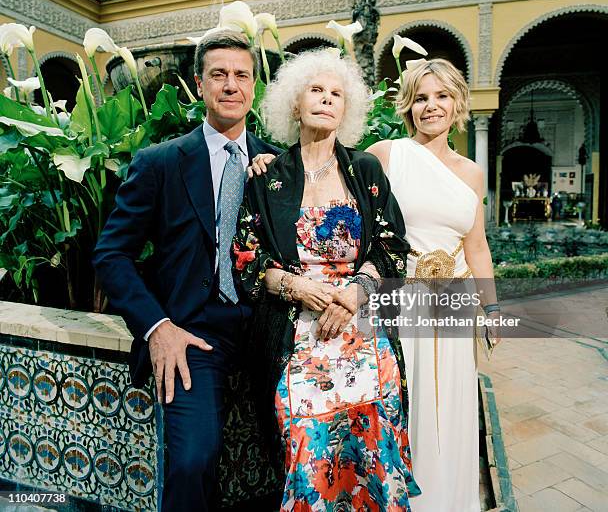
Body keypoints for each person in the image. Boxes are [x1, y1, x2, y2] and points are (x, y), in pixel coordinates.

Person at [92, 30, 281, 511]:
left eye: (241, 75)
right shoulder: (160, 163)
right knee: (192, 459)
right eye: (219, 75)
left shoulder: (280, 166)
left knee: (301, 448)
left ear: (254, 87)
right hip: (193, 333)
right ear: (200, 85)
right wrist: (157, 327)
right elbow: (111, 255)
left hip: (269, 330)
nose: (231, 85)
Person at [233, 48, 421, 511]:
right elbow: (244, 257)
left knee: (371, 450)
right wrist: (295, 287)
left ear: (347, 109)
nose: (327, 99)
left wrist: (354, 295)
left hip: (362, 331)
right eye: (316, 90)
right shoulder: (267, 176)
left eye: (337, 94)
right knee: (306, 451)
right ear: (294, 104)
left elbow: (393, 244)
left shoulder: (365, 170)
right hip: (296, 337)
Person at [366, 58, 500, 512]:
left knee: (453, 410)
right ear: (407, 105)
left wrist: (492, 309)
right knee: (409, 404)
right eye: (421, 97)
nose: (431, 106)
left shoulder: (473, 173)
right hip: (402, 300)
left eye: (441, 96)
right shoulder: (387, 155)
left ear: (458, 102)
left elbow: (476, 245)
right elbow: (328, 174)